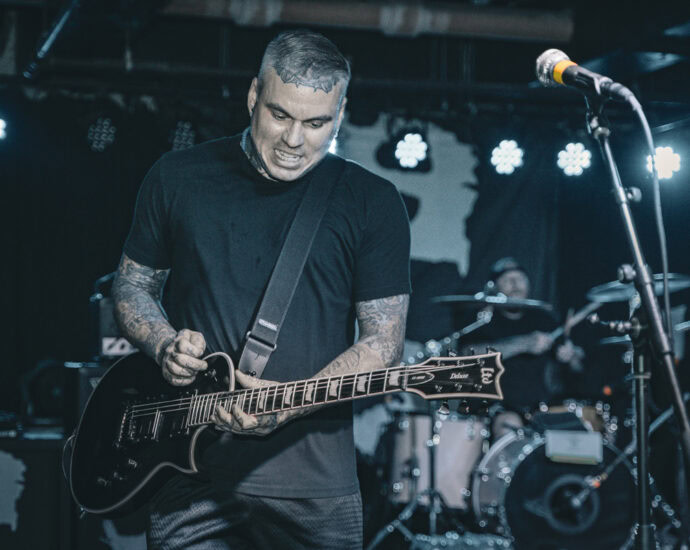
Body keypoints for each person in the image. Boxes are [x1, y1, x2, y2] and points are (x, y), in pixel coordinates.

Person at [112, 29, 411, 550]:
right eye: (280, 115)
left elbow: (384, 343)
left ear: (340, 113)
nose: (294, 140)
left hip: (315, 490)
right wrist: (163, 345)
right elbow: (132, 285)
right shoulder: (178, 177)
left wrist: (286, 408)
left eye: (316, 123)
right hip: (188, 476)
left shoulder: (373, 201)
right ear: (254, 95)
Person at [459, 257, 584, 437]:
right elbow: (468, 357)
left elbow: (578, 365)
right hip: (496, 406)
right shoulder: (482, 319)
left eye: (520, 279)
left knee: (573, 429)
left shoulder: (543, 318)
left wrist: (571, 355)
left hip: (540, 406)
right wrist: (523, 343)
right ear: (494, 287)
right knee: (509, 426)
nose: (515, 284)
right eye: (507, 280)